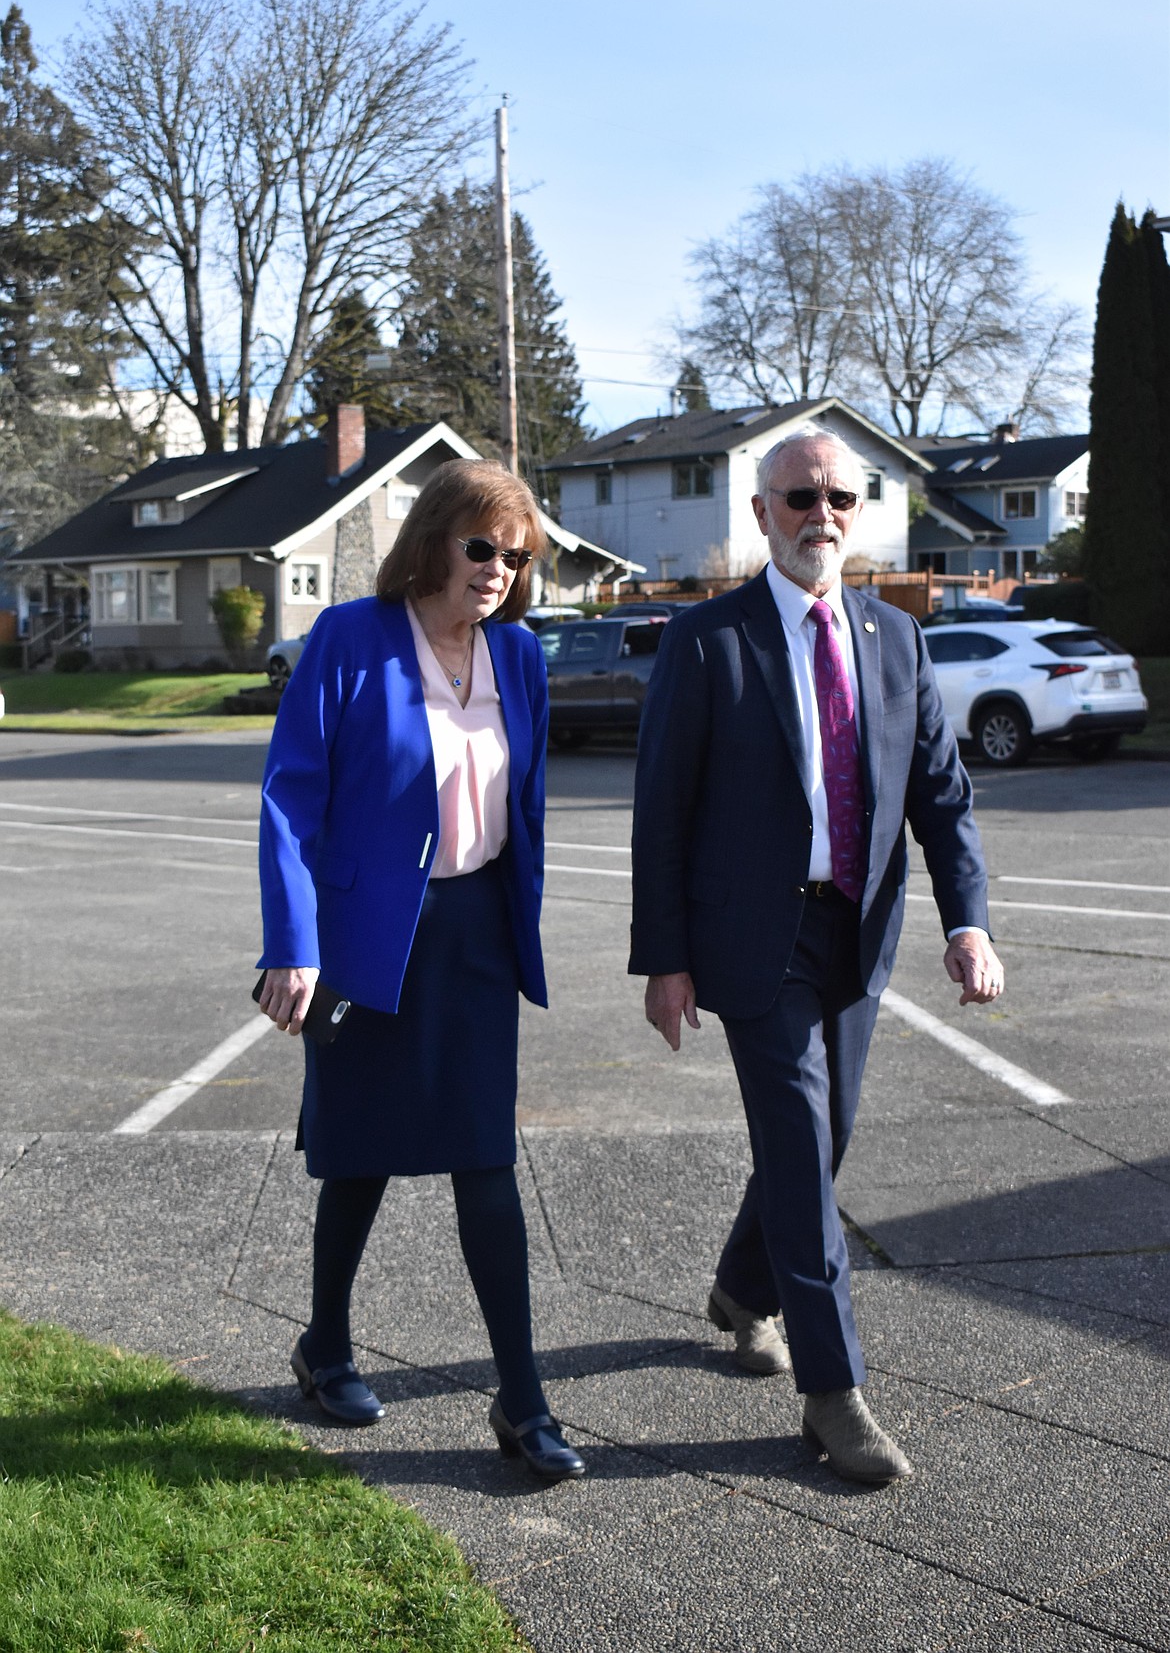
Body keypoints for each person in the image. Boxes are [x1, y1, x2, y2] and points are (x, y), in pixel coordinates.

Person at [629, 427, 1004, 1485]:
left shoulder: (896, 637)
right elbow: (661, 816)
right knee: (798, 1143)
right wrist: (664, 959)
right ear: (762, 514)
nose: (820, 515)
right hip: (755, 938)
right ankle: (832, 1394)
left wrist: (965, 920)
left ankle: (741, 1291)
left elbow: (942, 796)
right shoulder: (708, 643)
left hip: (858, 931)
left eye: (839, 495)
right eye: (799, 497)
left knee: (823, 1137)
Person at [256, 458, 584, 1482]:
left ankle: (523, 1399)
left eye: (514, 555)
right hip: (364, 935)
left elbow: (523, 808)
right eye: (479, 546)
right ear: (437, 539)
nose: (496, 568)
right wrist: (293, 942)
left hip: (476, 935)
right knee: (359, 1157)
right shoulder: (350, 638)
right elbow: (290, 798)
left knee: (486, 1163)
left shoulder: (520, 656)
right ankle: (325, 1346)